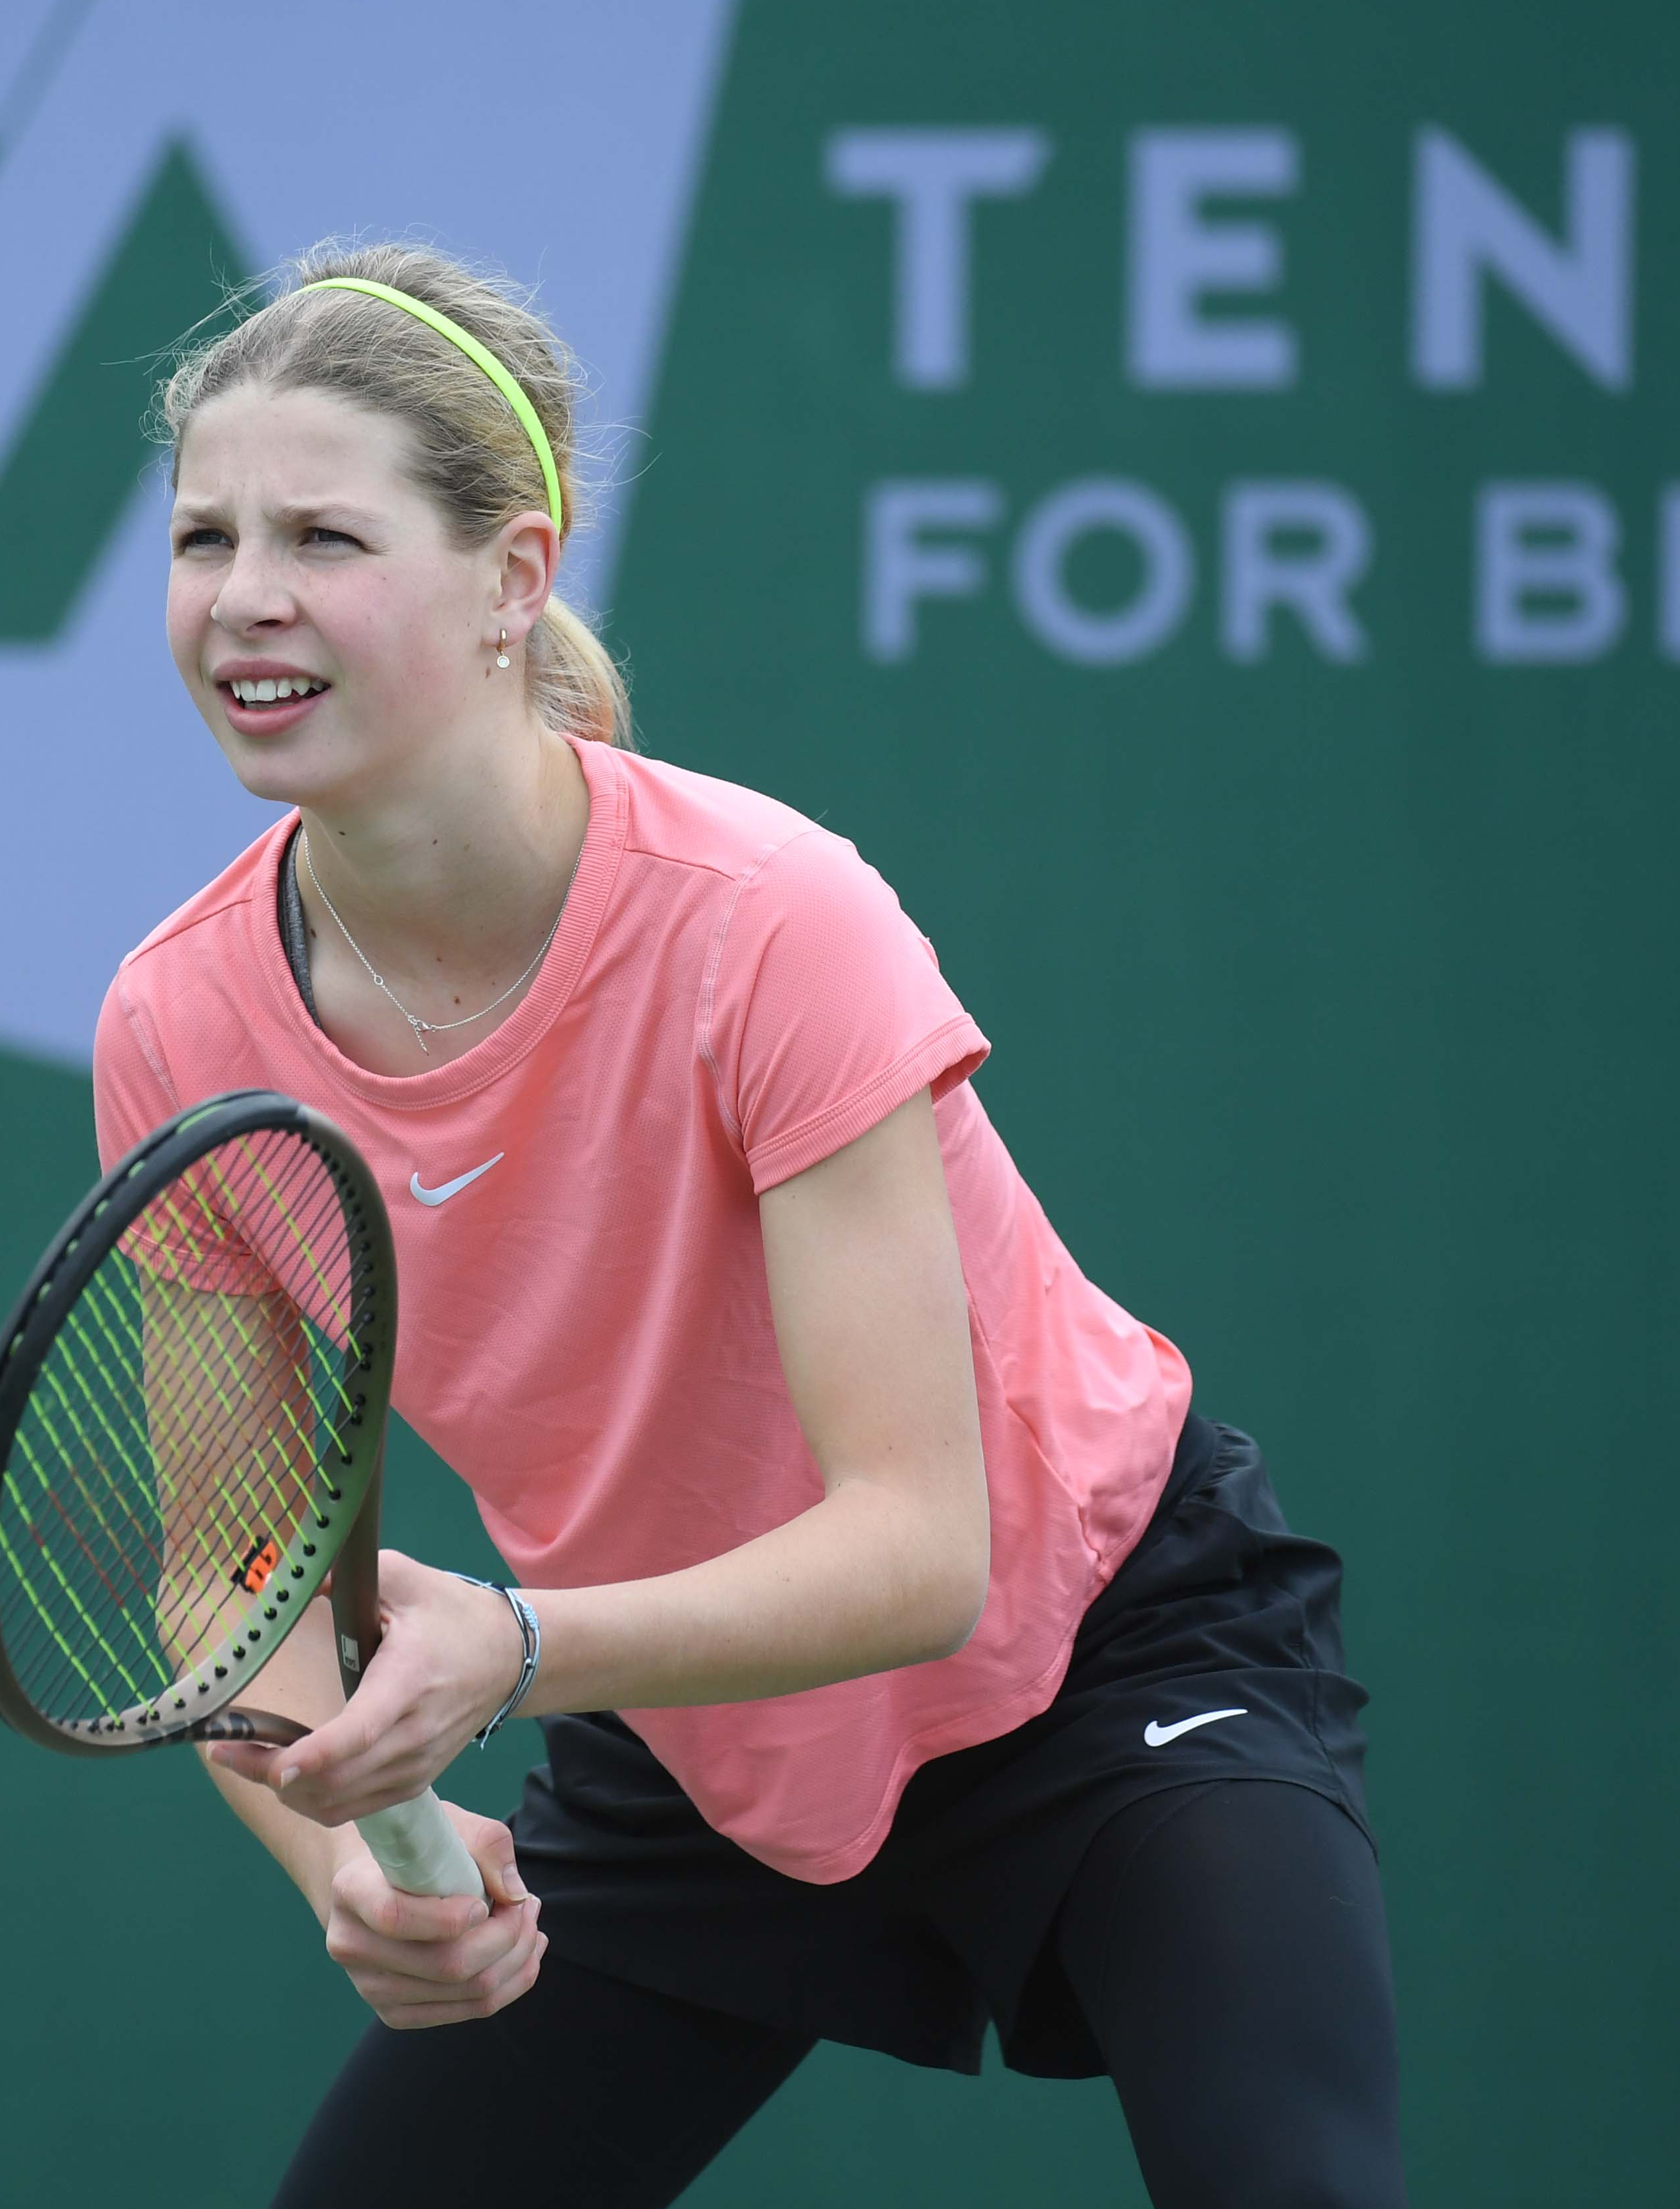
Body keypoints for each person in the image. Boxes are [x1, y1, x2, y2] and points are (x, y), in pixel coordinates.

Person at [91, 242, 1404, 2209]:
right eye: (206, 537)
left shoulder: (766, 919)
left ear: (513, 580)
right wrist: (355, 1857)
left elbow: (918, 1548)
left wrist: (514, 1649)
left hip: (1100, 1639)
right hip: (686, 1725)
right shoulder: (181, 1022)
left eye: (325, 537)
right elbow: (232, 1583)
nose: (246, 598)